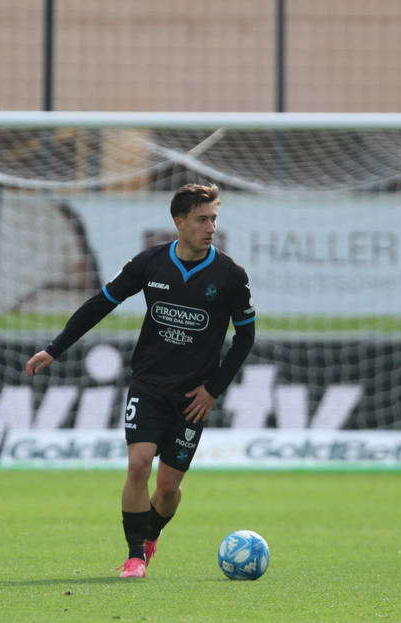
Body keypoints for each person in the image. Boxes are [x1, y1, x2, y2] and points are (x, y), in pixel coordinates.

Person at [25, 183, 256, 579]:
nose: (210, 227)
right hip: (148, 386)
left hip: (192, 398)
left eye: (214, 218)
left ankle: (150, 535)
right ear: (178, 222)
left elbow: (245, 337)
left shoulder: (230, 275)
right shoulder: (149, 264)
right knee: (138, 465)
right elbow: (101, 304)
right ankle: (135, 555)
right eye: (202, 219)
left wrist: (213, 390)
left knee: (167, 489)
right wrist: (55, 348)